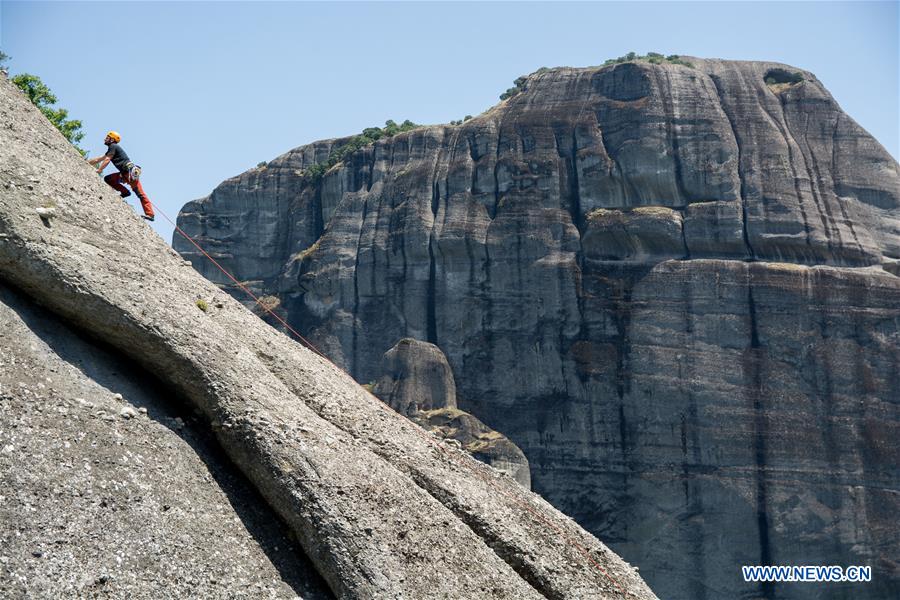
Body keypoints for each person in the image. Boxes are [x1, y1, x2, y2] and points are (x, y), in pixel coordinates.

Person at [87, 131, 155, 221]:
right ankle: (125, 192)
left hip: (130, 173)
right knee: (108, 179)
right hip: (124, 174)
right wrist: (86, 162)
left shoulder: (113, 146)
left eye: (107, 137)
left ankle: (150, 214)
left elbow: (107, 160)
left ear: (112, 139)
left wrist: (99, 170)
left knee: (140, 194)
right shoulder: (112, 148)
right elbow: (99, 159)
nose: (105, 139)